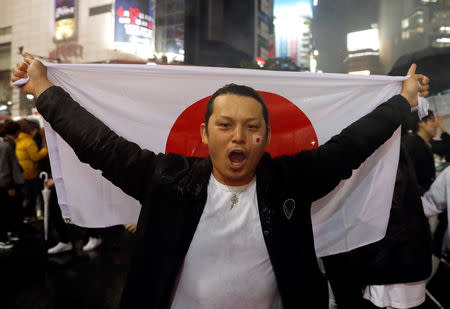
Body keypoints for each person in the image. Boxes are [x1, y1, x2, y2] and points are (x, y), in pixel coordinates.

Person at [12, 53, 429, 308]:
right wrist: (45, 90)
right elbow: (99, 144)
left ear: (265, 137)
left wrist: (403, 100)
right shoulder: (165, 180)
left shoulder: (291, 182)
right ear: (205, 135)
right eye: (226, 125)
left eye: (251, 127)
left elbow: (353, 143)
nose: (239, 137)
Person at [15, 119, 48, 221]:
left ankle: (25, 217)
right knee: (31, 197)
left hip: (20, 173)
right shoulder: (28, 141)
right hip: (30, 173)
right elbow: (35, 157)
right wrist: (45, 149)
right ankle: (31, 217)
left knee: (24, 197)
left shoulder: (17, 140)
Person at [0, 121, 25, 249]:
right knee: (5, 212)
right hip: (6, 185)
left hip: (9, 183)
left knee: (10, 211)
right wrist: (9, 186)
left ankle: (8, 234)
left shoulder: (8, 144)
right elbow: (4, 168)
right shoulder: (5, 145)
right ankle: (3, 239)